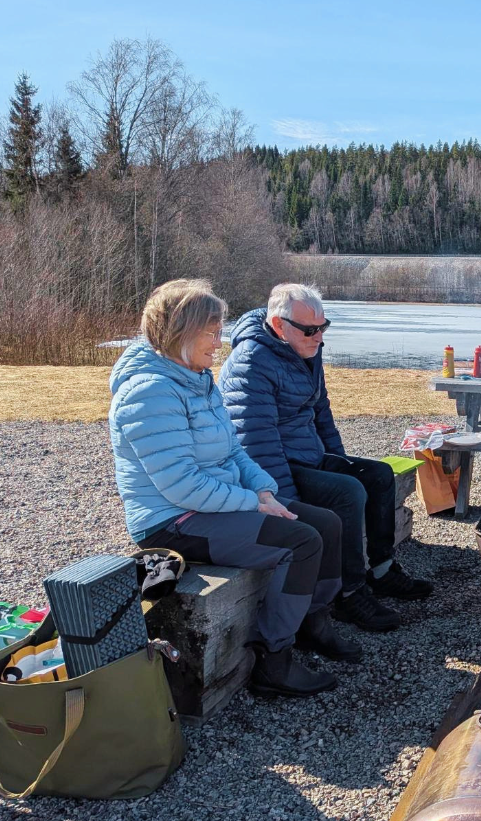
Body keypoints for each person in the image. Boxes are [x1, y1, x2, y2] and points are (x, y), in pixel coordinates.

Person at [110, 280, 358, 699]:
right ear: (181, 333)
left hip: (212, 505)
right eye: (211, 331)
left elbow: (234, 451)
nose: (219, 341)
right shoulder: (149, 392)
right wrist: (253, 504)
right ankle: (273, 660)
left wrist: (263, 488)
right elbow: (182, 486)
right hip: (174, 522)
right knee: (301, 542)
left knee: (327, 523)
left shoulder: (196, 378)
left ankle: (314, 624)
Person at [220, 284, 432, 635]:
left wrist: (340, 459)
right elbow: (256, 443)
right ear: (278, 325)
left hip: (308, 455)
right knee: (347, 492)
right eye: (310, 330)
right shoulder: (252, 362)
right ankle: (349, 593)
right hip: (276, 468)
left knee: (376, 475)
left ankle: (380, 570)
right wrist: (286, 502)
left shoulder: (304, 348)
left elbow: (322, 413)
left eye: (323, 327)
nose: (318, 337)